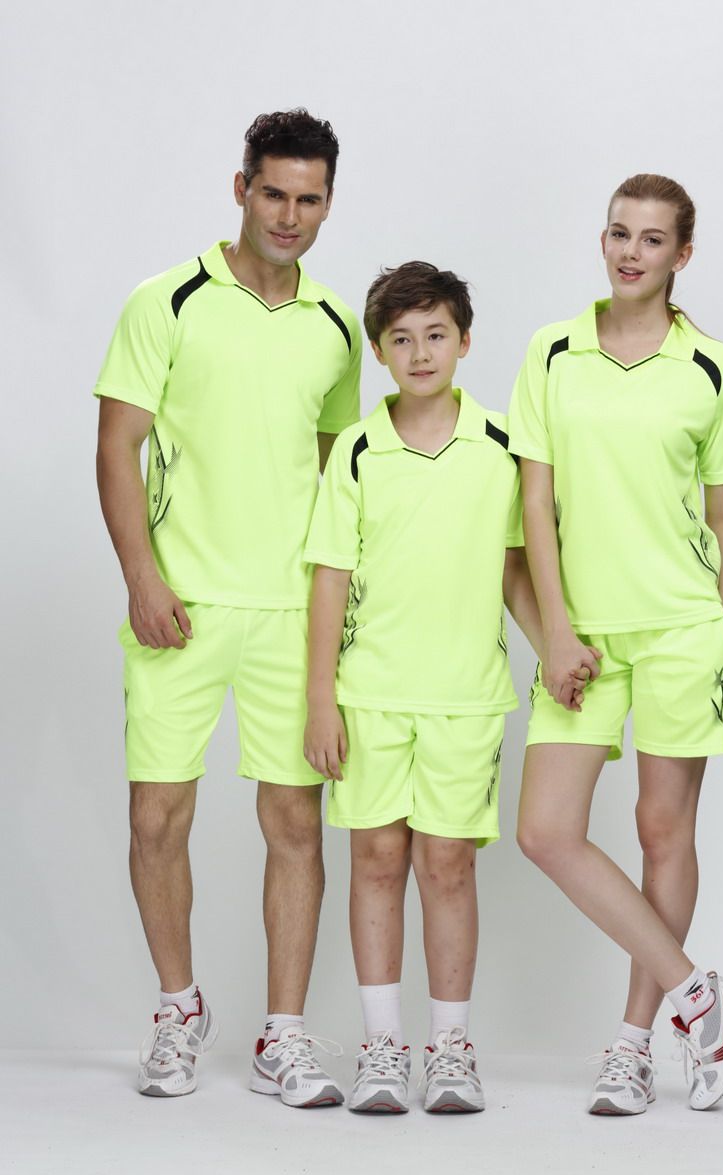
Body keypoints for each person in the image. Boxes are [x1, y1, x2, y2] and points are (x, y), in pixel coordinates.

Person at [94, 109, 361, 1104]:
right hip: (181, 605)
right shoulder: (165, 301)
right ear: (240, 188)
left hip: (292, 613)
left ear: (327, 204)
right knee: (156, 815)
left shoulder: (337, 326)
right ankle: (178, 1008)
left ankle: (281, 1036)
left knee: (294, 819)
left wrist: (341, 610)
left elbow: (337, 476)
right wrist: (142, 576)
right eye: (273, 192)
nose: (289, 215)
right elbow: (116, 445)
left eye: (309, 199)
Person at [303, 261, 586, 1114]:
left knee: (448, 866)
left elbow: (515, 569)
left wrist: (554, 648)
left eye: (435, 335)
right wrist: (320, 698)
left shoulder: (502, 446)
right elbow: (329, 577)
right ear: (380, 352)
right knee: (376, 861)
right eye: (401, 339)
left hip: (467, 697)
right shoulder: (358, 450)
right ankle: (383, 1047)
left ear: (465, 341)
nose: (420, 352)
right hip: (369, 697)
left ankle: (451, 1049)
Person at [509, 173, 723, 1115]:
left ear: (681, 254)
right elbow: (534, 501)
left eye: (652, 240)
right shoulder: (551, 351)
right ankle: (703, 995)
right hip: (583, 636)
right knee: (545, 830)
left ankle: (634, 1043)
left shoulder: (712, 367)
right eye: (619, 233)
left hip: (682, 631)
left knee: (663, 830)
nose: (630, 252)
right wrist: (556, 630)